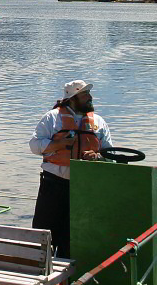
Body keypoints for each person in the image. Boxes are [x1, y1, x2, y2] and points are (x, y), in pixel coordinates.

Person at [29, 80, 114, 258]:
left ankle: (69, 282)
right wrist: (57, 144)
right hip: (53, 186)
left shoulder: (98, 122)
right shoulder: (52, 118)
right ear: (73, 98)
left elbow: (110, 154)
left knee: (76, 237)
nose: (90, 97)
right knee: (44, 236)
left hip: (85, 189)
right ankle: (41, 277)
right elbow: (34, 145)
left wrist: (98, 156)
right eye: (85, 94)